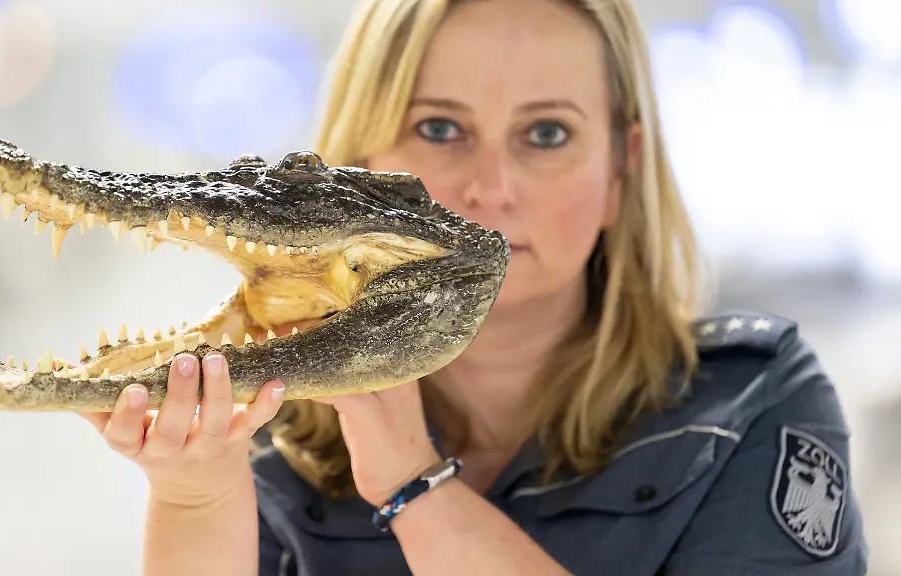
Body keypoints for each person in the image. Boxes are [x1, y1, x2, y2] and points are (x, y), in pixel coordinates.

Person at [79, 0, 869, 574]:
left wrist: (413, 483)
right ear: (359, 163)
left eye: (547, 134)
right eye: (439, 130)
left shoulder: (755, 405)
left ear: (619, 172)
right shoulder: (261, 425)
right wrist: (193, 497)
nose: (491, 187)